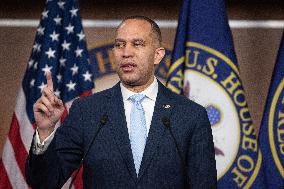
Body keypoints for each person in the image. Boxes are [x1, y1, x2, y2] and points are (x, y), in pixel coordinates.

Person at [26, 15, 217, 189]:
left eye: (137, 43)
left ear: (157, 55)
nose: (126, 52)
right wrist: (45, 131)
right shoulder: (88, 111)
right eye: (119, 45)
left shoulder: (190, 115)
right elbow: (45, 183)